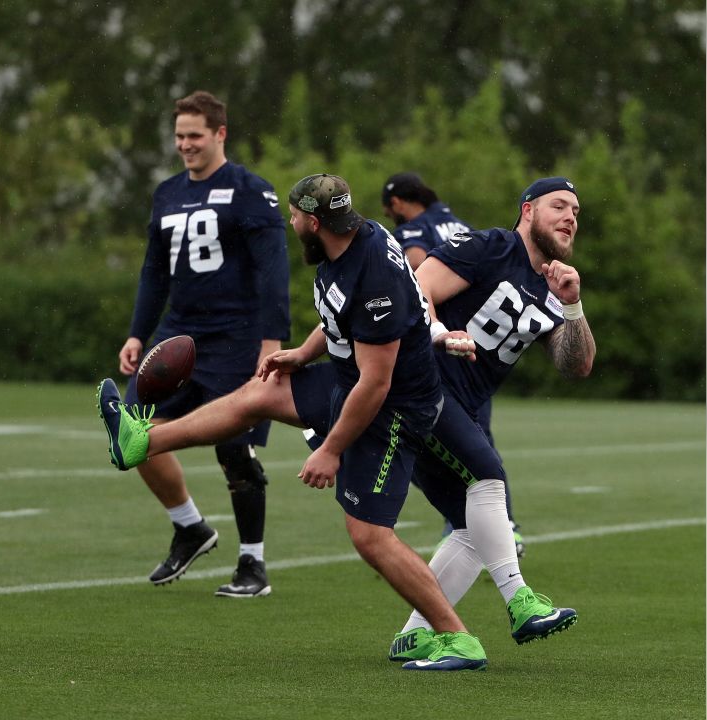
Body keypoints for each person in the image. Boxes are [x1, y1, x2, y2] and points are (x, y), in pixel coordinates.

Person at [99, 174, 488, 671]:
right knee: (259, 393)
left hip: (392, 409)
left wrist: (329, 450)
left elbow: (376, 382)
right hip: (350, 380)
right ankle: (141, 441)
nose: (290, 222)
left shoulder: (372, 277)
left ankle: (458, 638)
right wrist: (302, 355)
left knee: (369, 535)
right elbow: (336, 319)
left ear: (312, 220)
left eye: (295, 215)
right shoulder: (348, 242)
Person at [387, 177, 597, 662]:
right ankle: (521, 601)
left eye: (576, 211)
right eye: (558, 206)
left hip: (460, 406)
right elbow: (419, 288)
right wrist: (440, 334)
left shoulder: (551, 282)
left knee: (472, 528)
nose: (570, 216)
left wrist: (572, 305)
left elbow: (576, 366)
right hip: (422, 387)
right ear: (527, 210)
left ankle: (416, 633)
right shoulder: (489, 246)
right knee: (489, 478)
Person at [113, 90, 290, 598]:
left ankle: (252, 564)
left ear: (220, 134)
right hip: (179, 333)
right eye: (179, 136)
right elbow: (153, 271)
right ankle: (189, 525)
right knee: (132, 432)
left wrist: (271, 342)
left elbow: (272, 272)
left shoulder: (249, 190)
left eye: (194, 135)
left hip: (237, 336)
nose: (185, 145)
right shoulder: (167, 193)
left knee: (233, 450)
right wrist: (136, 332)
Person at [379, 172, 525, 558]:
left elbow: (412, 278)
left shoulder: (413, 229)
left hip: (439, 348)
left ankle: (467, 525)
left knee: (429, 443)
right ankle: (503, 526)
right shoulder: (457, 221)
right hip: (480, 342)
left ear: (396, 204)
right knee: (481, 442)